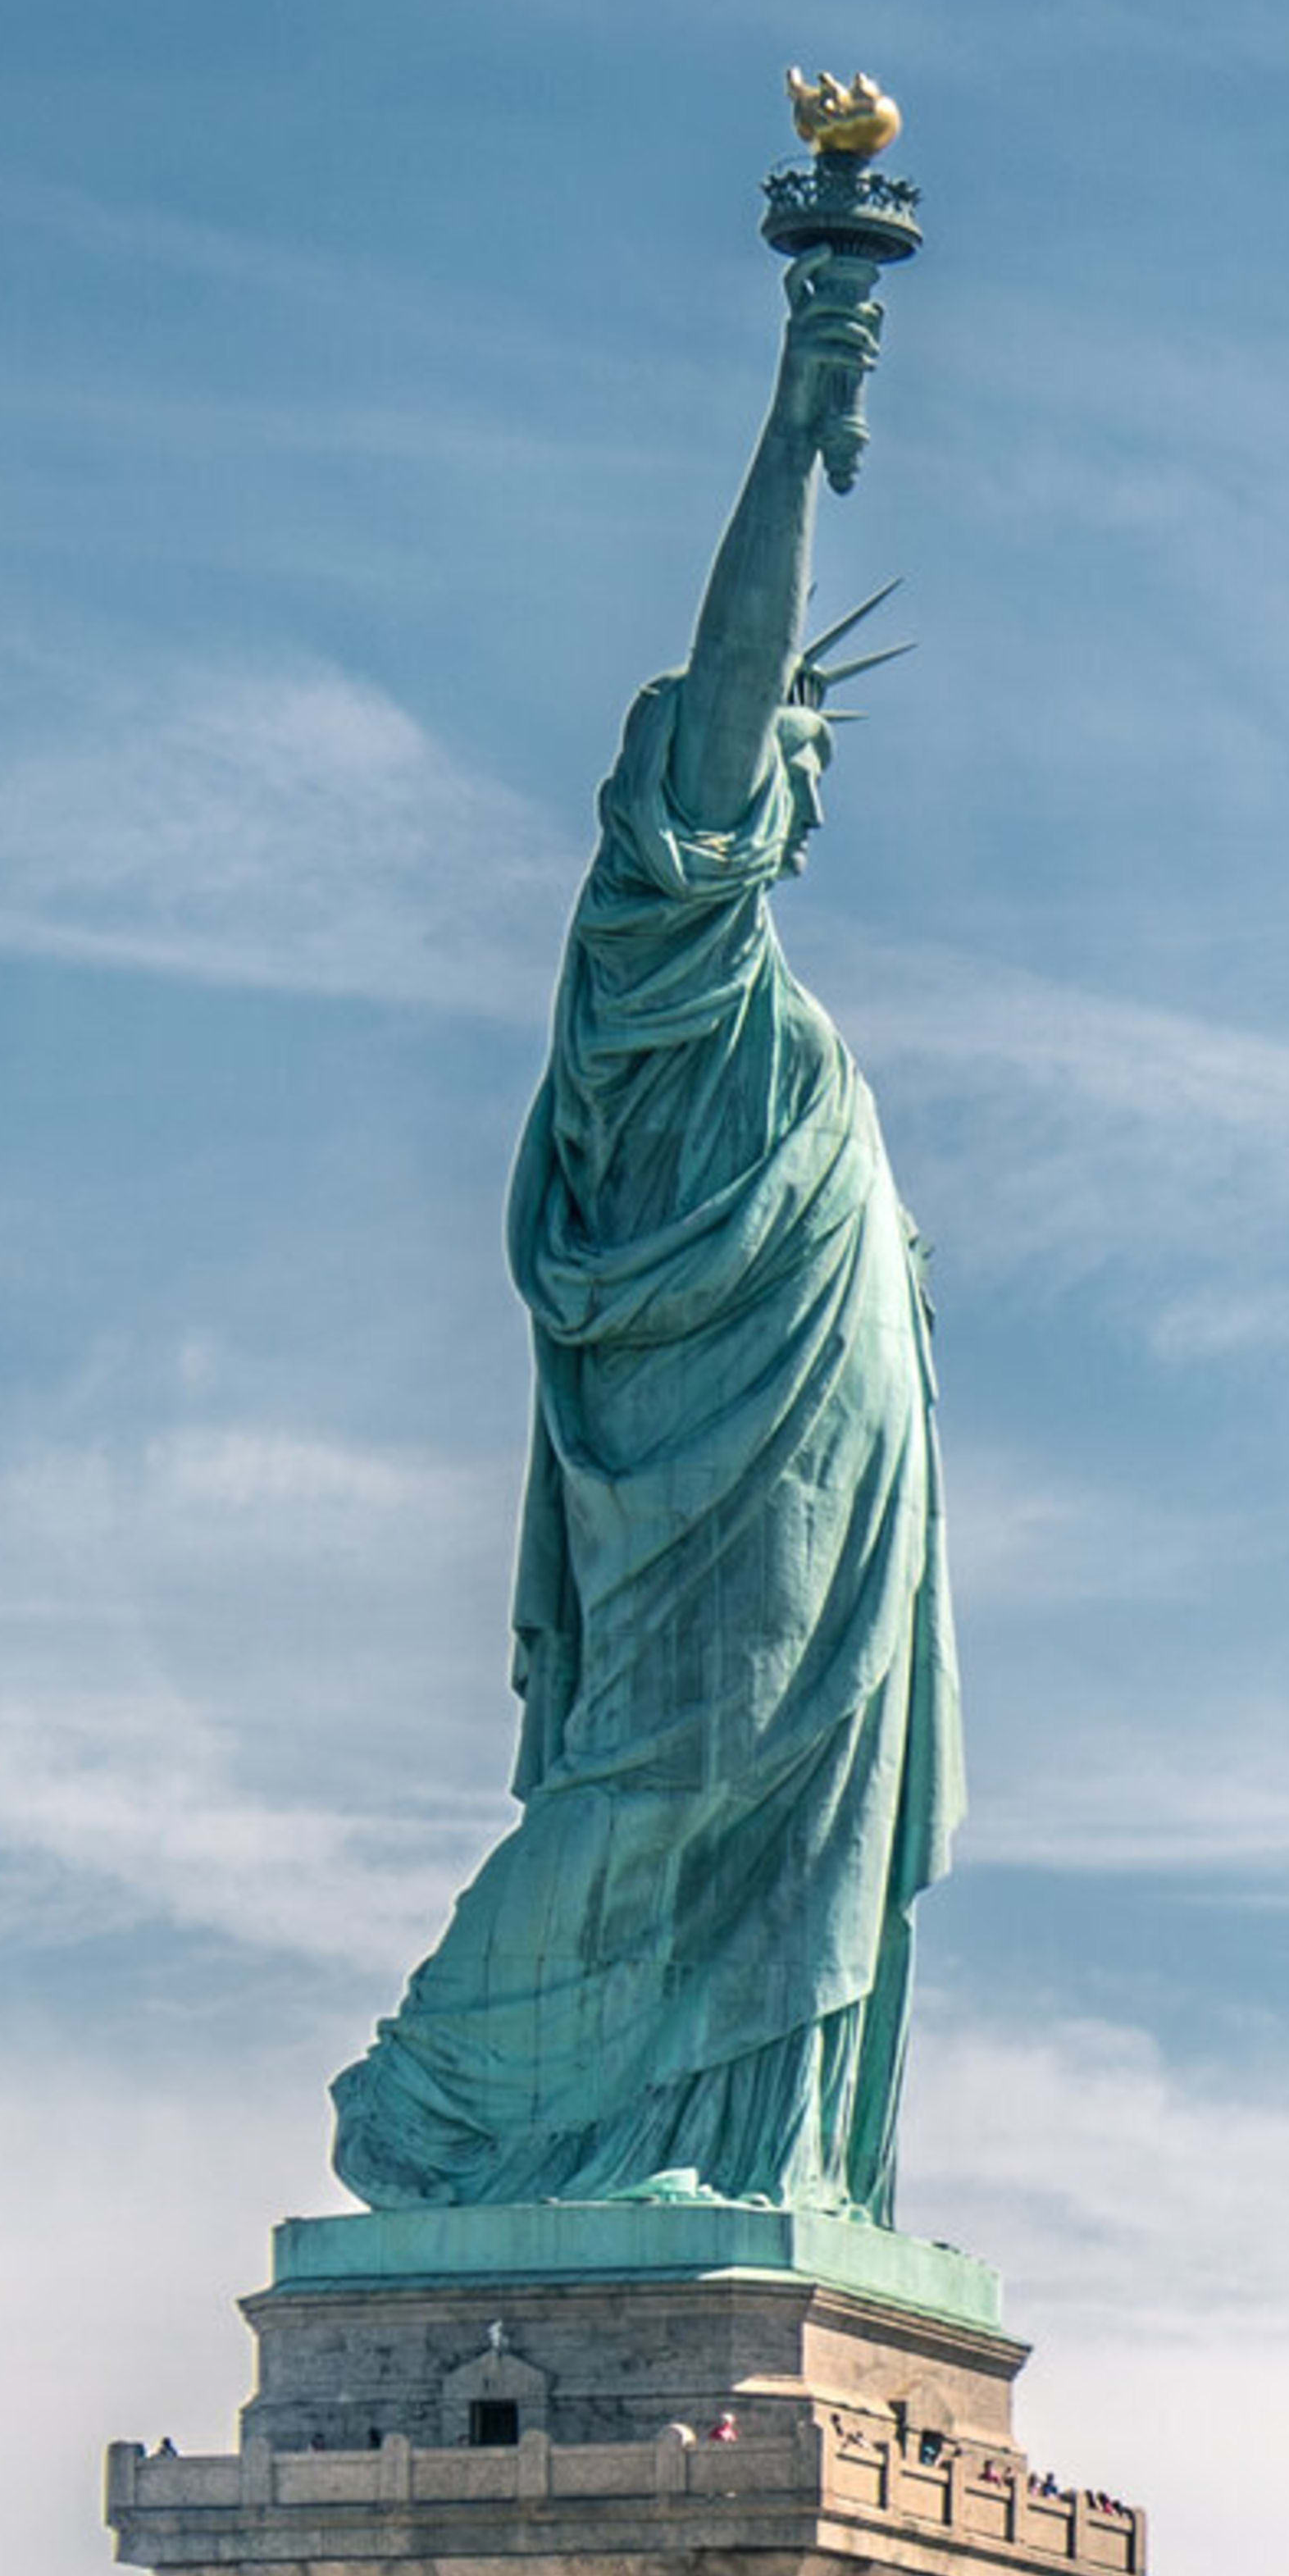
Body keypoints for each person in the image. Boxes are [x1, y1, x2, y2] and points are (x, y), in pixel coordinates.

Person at [327, 245, 961, 2227]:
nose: (794, 769)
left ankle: (736, 2146)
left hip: (826, 1465)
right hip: (716, 1474)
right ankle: (450, 2097)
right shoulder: (657, 951)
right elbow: (737, 666)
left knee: (793, 1797)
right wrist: (807, 394)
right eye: (767, 744)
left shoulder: (765, 1018)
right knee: (681, 1767)